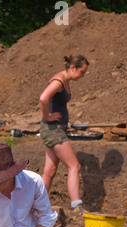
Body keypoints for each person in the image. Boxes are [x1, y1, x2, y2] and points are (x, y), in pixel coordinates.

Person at [39, 55, 89, 212]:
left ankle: (37, 205)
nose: (83, 75)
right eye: (82, 72)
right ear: (73, 68)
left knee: (49, 171)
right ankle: (76, 205)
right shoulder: (59, 81)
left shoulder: (65, 80)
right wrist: (48, 116)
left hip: (55, 129)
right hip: (53, 130)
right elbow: (43, 98)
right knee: (74, 165)